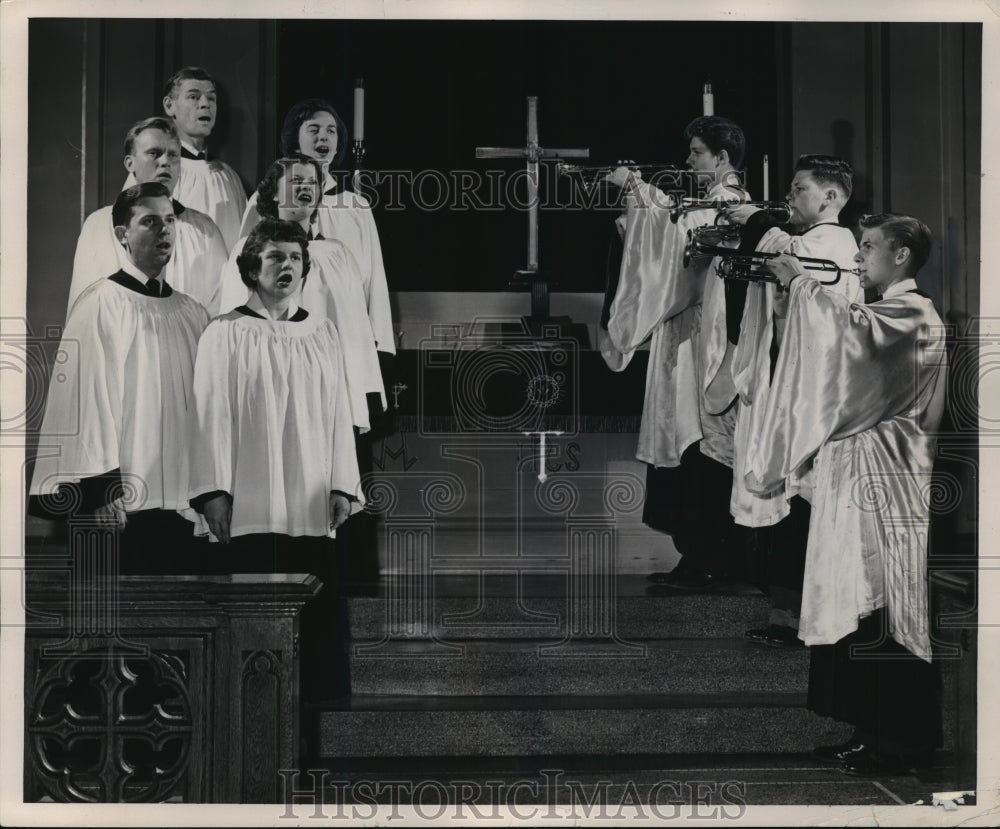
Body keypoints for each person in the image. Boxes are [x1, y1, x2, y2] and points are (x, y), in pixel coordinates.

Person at [750, 214, 946, 775]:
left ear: (902, 255)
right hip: (861, 473)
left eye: (869, 247)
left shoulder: (912, 315)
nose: (858, 257)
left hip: (886, 481)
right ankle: (871, 731)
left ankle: (901, 743)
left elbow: (848, 343)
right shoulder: (892, 312)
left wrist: (800, 284)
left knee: (883, 599)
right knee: (859, 597)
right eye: (859, 246)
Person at [188, 219, 363, 701]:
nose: (286, 265)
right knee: (249, 623)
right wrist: (213, 493)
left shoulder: (321, 332)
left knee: (314, 619)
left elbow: (338, 411)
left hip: (308, 501)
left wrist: (342, 486)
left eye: (295, 257)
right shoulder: (224, 333)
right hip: (247, 503)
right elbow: (209, 415)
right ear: (251, 266)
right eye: (275, 257)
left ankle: (313, 735)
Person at [601, 115, 752, 590]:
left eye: (696, 152)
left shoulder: (731, 202)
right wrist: (641, 204)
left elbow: (680, 250)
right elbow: (672, 238)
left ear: (722, 157)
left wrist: (640, 191)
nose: (689, 161)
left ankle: (710, 556)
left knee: (701, 438)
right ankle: (701, 553)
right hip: (691, 329)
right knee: (687, 437)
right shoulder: (713, 201)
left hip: (706, 335)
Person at [29, 182, 209, 574]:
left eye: (169, 221)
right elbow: (87, 398)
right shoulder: (101, 303)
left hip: (177, 497)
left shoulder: (192, 312)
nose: (165, 231)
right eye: (149, 222)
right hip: (116, 502)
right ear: (122, 235)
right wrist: (102, 489)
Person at [721, 154, 863, 646]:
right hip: (785, 381)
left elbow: (815, 294)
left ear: (831, 197)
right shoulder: (805, 242)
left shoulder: (836, 243)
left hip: (816, 394)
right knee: (784, 507)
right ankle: (787, 613)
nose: (790, 197)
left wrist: (757, 224)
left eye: (800, 188)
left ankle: (804, 617)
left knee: (803, 505)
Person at [218, 155, 386, 433]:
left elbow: (357, 331)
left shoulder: (338, 254)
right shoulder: (249, 250)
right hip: (272, 392)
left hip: (333, 393)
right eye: (295, 181)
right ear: (273, 192)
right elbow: (237, 330)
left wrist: (366, 391)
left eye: (311, 182)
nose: (305, 187)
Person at [239, 98, 394, 369]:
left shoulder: (355, 206)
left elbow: (373, 280)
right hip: (282, 334)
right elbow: (246, 271)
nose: (324, 136)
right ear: (295, 140)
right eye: (314, 129)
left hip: (345, 333)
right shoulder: (267, 200)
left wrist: (379, 341)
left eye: (331, 130)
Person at [67, 116, 228, 318]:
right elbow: (84, 309)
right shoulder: (99, 226)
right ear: (130, 163)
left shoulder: (204, 230)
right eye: (154, 153)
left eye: (173, 156)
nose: (165, 163)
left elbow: (220, 306)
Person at [124, 67, 247, 252]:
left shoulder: (229, 176)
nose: (205, 104)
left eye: (211, 98)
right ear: (169, 105)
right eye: (194, 96)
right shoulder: (154, 170)